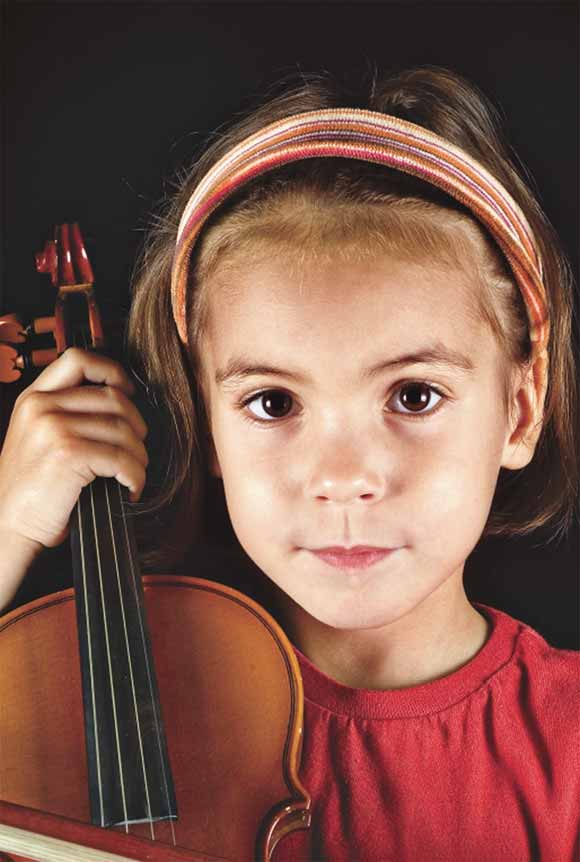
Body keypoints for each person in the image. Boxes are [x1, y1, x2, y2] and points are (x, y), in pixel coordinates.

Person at [0, 67, 577, 860]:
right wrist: (12, 526)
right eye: (273, 403)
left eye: (413, 396)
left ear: (520, 409)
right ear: (203, 417)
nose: (342, 477)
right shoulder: (99, 702)